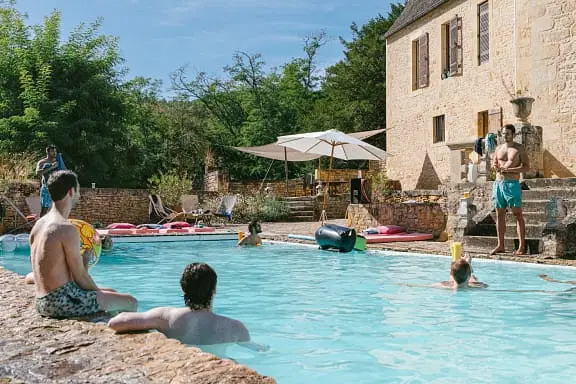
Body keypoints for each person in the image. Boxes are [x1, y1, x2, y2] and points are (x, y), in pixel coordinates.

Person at [30, 170, 137, 319]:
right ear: (71, 191)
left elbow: (55, 272)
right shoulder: (65, 228)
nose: (79, 194)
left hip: (42, 300)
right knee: (130, 302)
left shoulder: (38, 225)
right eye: (78, 189)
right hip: (61, 302)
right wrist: (98, 293)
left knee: (112, 292)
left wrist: (84, 261)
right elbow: (81, 278)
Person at [108, 262, 252, 346]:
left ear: (183, 288)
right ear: (214, 290)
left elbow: (115, 323)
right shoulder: (235, 327)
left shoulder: (165, 316)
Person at [490, 124, 530, 256]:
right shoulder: (498, 148)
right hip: (498, 183)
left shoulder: (519, 148)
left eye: (507, 133)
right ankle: (500, 245)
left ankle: (522, 246)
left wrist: (510, 170)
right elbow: (494, 163)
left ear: (513, 134)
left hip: (512, 183)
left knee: (517, 215)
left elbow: (526, 167)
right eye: (503, 133)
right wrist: (495, 166)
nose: (505, 136)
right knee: (499, 215)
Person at [399, 254, 487, 290]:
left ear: (450, 274)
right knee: (473, 279)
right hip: (468, 283)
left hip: (452, 284)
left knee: (451, 281)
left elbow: (424, 286)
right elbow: (487, 286)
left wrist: (407, 284)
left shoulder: (443, 286)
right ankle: (468, 264)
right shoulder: (479, 286)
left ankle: (466, 265)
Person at [36, 145, 67, 217]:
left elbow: (65, 172)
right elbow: (38, 172)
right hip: (46, 188)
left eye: (55, 151)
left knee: (59, 209)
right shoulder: (42, 162)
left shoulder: (59, 162)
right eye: (52, 151)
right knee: (44, 209)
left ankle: (57, 226)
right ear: (47, 152)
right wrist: (52, 167)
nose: (55, 153)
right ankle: (42, 227)